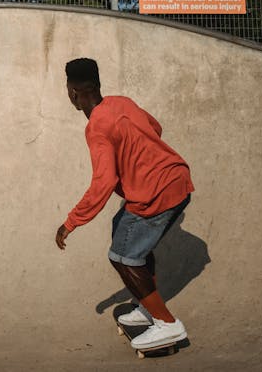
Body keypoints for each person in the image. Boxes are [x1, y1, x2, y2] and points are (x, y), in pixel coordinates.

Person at [55, 58, 194, 350]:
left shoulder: (96, 128)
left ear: (73, 93)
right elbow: (155, 126)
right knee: (124, 228)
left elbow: (103, 183)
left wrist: (71, 222)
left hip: (157, 194)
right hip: (177, 178)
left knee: (122, 256)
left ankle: (168, 324)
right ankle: (148, 306)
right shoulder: (122, 102)